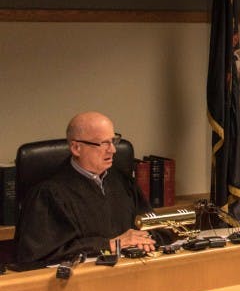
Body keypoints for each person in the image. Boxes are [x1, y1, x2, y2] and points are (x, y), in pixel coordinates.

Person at [14, 111, 156, 269]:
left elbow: (152, 224)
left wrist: (146, 239)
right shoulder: (49, 194)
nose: (113, 150)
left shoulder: (123, 181)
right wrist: (110, 244)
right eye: (103, 143)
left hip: (132, 272)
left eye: (113, 140)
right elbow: (39, 255)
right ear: (76, 148)